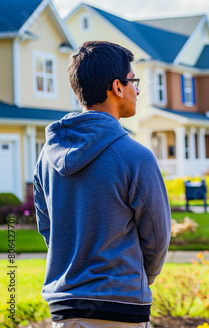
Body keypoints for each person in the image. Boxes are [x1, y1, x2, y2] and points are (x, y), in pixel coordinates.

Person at [34, 40, 171, 328]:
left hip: (65, 307)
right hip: (120, 306)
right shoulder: (135, 156)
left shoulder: (46, 157)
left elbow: (49, 230)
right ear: (117, 87)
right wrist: (138, 277)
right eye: (133, 81)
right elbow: (157, 237)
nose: (136, 90)